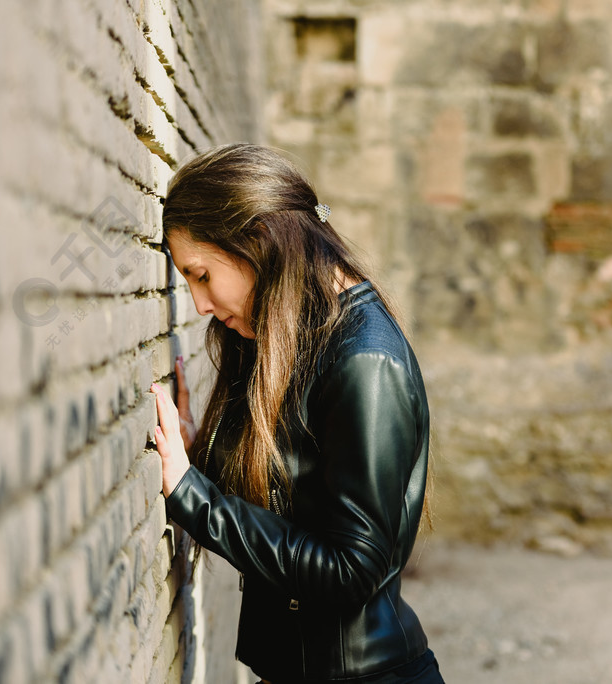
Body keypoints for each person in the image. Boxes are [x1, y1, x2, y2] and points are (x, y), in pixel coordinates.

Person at [149, 143, 444, 684]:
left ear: (257, 242)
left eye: (201, 275)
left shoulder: (365, 361)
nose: (199, 305)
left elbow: (351, 569)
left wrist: (192, 496)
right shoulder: (295, 336)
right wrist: (197, 456)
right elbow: (293, 499)